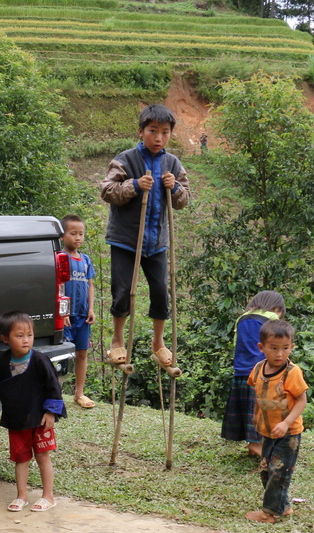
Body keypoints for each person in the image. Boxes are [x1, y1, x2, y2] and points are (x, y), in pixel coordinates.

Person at [99, 103, 191, 370]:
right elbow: (107, 190)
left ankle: (158, 344)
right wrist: (135, 185)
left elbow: (184, 200)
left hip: (157, 242)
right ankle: (117, 340)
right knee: (123, 291)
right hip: (125, 239)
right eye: (153, 131)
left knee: (161, 292)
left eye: (165, 132)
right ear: (141, 132)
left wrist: (175, 188)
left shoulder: (172, 163)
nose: (158, 137)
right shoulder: (125, 160)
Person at [0, 311, 66, 512]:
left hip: (40, 419)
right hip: (16, 419)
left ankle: (48, 496)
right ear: (5, 339)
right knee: (21, 458)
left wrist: (51, 413)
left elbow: (53, 387)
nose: (26, 340)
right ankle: (21, 496)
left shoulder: (40, 360)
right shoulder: (2, 360)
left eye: (29, 335)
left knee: (42, 456)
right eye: (19, 336)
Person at [244, 318, 309, 524]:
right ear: (261, 347)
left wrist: (287, 422)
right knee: (266, 470)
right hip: (268, 431)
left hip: (289, 434)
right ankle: (284, 506)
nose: (280, 354)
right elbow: (258, 394)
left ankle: (269, 513)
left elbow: (302, 401)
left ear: (292, 347)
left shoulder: (292, 373)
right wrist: (256, 415)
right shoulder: (258, 369)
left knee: (279, 472)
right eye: (274, 348)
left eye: (285, 348)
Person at [222, 291, 287, 457]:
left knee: (249, 409)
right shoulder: (272, 318)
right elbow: (277, 345)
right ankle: (257, 445)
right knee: (264, 408)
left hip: (241, 370)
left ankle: (255, 443)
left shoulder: (242, 318)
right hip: (263, 371)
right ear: (277, 308)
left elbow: (236, 343)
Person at [60, 214, 97, 410]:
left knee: (82, 353)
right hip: (65, 317)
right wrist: (63, 312)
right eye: (73, 233)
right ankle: (54, 393)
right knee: (62, 356)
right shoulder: (60, 258)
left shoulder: (85, 260)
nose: (78, 238)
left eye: (81, 234)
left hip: (83, 316)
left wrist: (91, 309)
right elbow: (57, 285)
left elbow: (90, 285)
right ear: (62, 235)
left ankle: (79, 393)